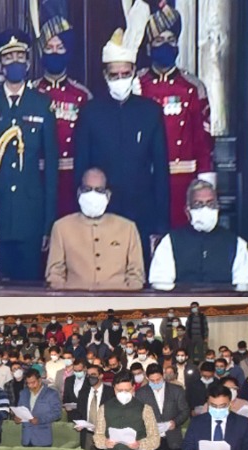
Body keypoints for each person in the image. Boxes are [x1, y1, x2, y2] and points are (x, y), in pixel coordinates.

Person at [74, 2, 169, 262]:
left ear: (134, 72)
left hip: (142, 213)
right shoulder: (90, 112)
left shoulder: (151, 112)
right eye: (114, 75)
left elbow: (161, 172)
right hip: (101, 212)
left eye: (125, 74)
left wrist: (161, 223)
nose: (120, 79)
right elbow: (81, 166)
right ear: (105, 75)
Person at [0, 30, 58, 281]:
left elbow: (51, 169)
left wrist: (48, 224)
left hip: (30, 216)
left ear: (28, 63)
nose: (15, 62)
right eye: (8, 57)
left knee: (29, 287)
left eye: (20, 57)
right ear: (0, 65)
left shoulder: (42, 104)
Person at [138, 1, 214, 231]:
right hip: (147, 180)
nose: (165, 45)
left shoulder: (192, 87)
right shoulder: (138, 85)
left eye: (171, 40)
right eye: (159, 40)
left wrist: (205, 185)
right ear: (149, 47)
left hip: (184, 181)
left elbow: (203, 143)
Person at [31, 0, 90, 219]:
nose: (54, 52)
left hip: (71, 179)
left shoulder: (81, 95)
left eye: (59, 47)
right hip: (38, 177)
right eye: (49, 47)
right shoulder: (32, 93)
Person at [45, 168, 146, 290]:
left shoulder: (127, 228)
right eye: (87, 189)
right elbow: (55, 275)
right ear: (79, 193)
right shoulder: (61, 227)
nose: (93, 195)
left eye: (99, 190)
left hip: (118, 298)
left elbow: (136, 276)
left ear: (108, 195)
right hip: (75, 298)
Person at [149, 180, 248, 290]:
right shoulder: (170, 242)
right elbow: (160, 284)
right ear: (187, 211)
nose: (205, 209)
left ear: (218, 208)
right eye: (198, 204)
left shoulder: (236, 243)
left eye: (210, 204)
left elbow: (244, 286)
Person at [135, 363, 188, 450]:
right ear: (147, 378)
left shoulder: (177, 390)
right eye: (152, 380)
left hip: (173, 439)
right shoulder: (140, 393)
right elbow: (137, 415)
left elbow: (185, 411)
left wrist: (174, 423)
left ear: (163, 375)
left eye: (158, 379)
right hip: (151, 439)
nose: (156, 383)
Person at [16, 369, 62, 447]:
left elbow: (57, 413)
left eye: (33, 382)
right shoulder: (23, 393)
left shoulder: (51, 394)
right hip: (26, 438)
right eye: (28, 383)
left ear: (40, 380)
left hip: (42, 438)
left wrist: (40, 420)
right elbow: (19, 410)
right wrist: (17, 418)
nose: (30, 386)